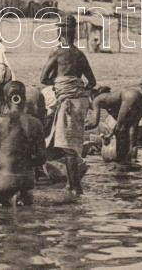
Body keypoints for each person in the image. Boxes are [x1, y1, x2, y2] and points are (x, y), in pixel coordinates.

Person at [40, 15, 98, 195]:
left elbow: (43, 78)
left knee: (68, 147)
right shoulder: (80, 54)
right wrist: (78, 89)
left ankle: (75, 187)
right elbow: (92, 82)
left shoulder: (57, 52)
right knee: (71, 144)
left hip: (67, 103)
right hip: (80, 102)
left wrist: (60, 86)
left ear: (60, 32)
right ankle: (71, 184)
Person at [0, 81, 47, 205]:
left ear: (5, 99)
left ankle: (5, 198)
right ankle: (19, 196)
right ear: (24, 98)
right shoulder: (36, 122)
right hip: (28, 180)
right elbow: (42, 158)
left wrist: (5, 163)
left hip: (6, 178)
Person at [93, 80, 142, 164]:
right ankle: (133, 160)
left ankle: (121, 162)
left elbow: (95, 123)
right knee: (132, 132)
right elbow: (119, 123)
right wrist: (110, 134)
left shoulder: (99, 100)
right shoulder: (115, 100)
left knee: (121, 132)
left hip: (131, 96)